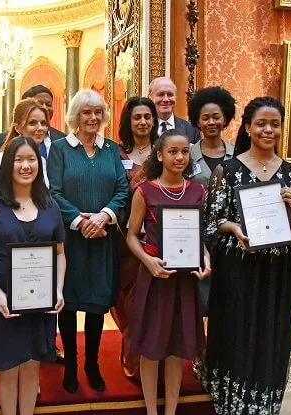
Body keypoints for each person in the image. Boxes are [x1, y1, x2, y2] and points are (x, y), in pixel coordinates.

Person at [201, 97, 291, 414]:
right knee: (237, 335)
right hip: (239, 270)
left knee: (271, 336)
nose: (269, 129)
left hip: (279, 273)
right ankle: (232, 403)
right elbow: (210, 222)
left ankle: (264, 404)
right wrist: (235, 229)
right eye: (262, 123)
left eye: (275, 124)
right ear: (249, 128)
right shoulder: (229, 170)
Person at [0, 136, 66, 415]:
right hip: (4, 301)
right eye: (19, 160)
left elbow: (60, 253)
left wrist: (58, 289)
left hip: (40, 300)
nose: (26, 166)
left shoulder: (50, 206)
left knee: (33, 365)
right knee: (8, 369)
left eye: (32, 159)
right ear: (7, 166)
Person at [47, 89, 129, 393]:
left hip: (103, 237)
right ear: (75, 116)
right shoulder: (60, 149)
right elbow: (53, 192)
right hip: (70, 240)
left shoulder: (111, 149)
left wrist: (104, 216)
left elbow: (122, 188)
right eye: (86, 112)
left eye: (98, 112)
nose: (93, 118)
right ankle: (70, 364)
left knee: (96, 305)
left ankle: (91, 364)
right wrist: (81, 221)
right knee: (67, 302)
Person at [126, 129, 210, 415]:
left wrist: (206, 258)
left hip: (184, 282)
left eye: (185, 151)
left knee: (176, 350)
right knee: (151, 349)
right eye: (173, 152)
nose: (179, 157)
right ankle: (152, 410)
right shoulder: (145, 191)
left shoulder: (198, 191)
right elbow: (131, 236)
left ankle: (171, 410)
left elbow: (201, 237)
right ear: (160, 155)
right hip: (155, 279)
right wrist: (147, 262)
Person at [110, 96, 159, 380]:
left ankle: (151, 362)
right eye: (137, 117)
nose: (142, 122)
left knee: (151, 305)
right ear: (128, 122)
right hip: (124, 241)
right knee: (128, 302)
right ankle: (132, 356)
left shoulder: (164, 152)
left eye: (147, 117)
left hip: (156, 239)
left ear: (154, 121)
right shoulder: (116, 154)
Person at [187, 86, 236, 311]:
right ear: (197, 121)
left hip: (230, 238)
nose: (211, 122)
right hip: (194, 233)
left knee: (227, 298)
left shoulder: (238, 154)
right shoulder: (186, 154)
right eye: (205, 118)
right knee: (197, 300)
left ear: (225, 118)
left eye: (216, 117)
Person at [0, 98, 50, 220]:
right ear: (18, 128)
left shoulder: (42, 160)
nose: (40, 128)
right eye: (32, 123)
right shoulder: (3, 159)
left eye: (43, 123)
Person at [0, 85, 66, 158]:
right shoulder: (0, 140)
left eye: (49, 104)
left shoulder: (62, 140)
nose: (45, 108)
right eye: (39, 104)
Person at [148, 77, 200, 143]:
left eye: (170, 94)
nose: (166, 99)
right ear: (150, 98)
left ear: (175, 97)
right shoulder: (144, 128)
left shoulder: (191, 129)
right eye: (161, 95)